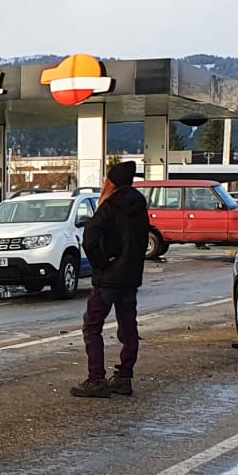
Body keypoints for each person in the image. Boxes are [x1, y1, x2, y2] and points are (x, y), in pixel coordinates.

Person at [74, 162, 150, 398]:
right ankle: (124, 377)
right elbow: (144, 240)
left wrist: (102, 262)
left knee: (92, 326)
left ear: (111, 182)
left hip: (108, 278)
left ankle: (96, 378)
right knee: (128, 327)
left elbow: (90, 238)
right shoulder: (139, 206)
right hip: (130, 277)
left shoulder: (108, 206)